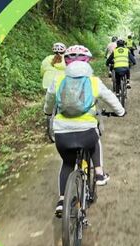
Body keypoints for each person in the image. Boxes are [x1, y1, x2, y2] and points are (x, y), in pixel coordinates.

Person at [44, 45, 125, 217]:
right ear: (88, 63)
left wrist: (47, 112)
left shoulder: (58, 80)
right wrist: (121, 111)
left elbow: (49, 101)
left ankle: (61, 200)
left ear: (67, 63)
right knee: (95, 142)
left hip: (62, 134)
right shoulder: (94, 81)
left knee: (67, 163)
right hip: (86, 132)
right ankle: (99, 174)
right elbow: (110, 97)